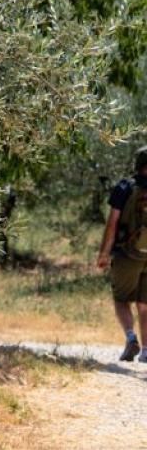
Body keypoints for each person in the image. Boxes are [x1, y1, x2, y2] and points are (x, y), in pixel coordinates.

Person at [97, 146, 147, 362]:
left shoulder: (125, 187)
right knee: (145, 303)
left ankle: (130, 338)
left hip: (127, 253)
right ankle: (146, 352)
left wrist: (104, 253)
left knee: (121, 299)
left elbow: (113, 223)